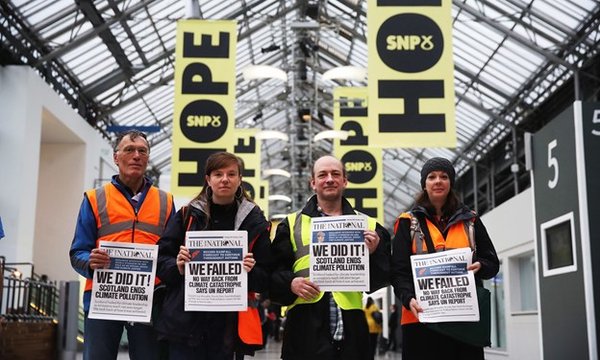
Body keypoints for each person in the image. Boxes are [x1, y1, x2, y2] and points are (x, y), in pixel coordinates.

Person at [270, 155, 391, 360]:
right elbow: (271, 275)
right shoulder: (290, 225)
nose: (329, 179)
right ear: (313, 183)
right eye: (322, 175)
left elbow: (383, 277)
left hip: (351, 327)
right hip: (304, 327)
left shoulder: (369, 226)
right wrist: (290, 283)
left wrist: (372, 254)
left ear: (344, 181)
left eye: (335, 174)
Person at [155, 151, 272, 360]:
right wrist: (177, 265)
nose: (225, 179)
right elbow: (160, 260)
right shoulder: (186, 215)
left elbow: (266, 278)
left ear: (240, 179)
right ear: (208, 179)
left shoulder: (255, 222)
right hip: (185, 325)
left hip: (230, 328)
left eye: (231, 174)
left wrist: (251, 271)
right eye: (218, 174)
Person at [69, 130, 175, 360]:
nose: (136, 155)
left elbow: (172, 254)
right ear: (116, 158)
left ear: (147, 158)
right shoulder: (95, 198)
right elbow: (77, 252)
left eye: (142, 151)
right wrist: (90, 262)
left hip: (150, 301)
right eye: (129, 150)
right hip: (102, 300)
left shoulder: (166, 202)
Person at [390, 157, 499, 360]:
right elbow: (398, 272)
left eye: (444, 176)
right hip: (420, 320)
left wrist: (481, 265)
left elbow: (492, 263)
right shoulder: (407, 222)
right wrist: (408, 298)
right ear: (424, 184)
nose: (438, 181)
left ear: (451, 182)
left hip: (464, 320)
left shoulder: (471, 220)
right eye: (432, 177)